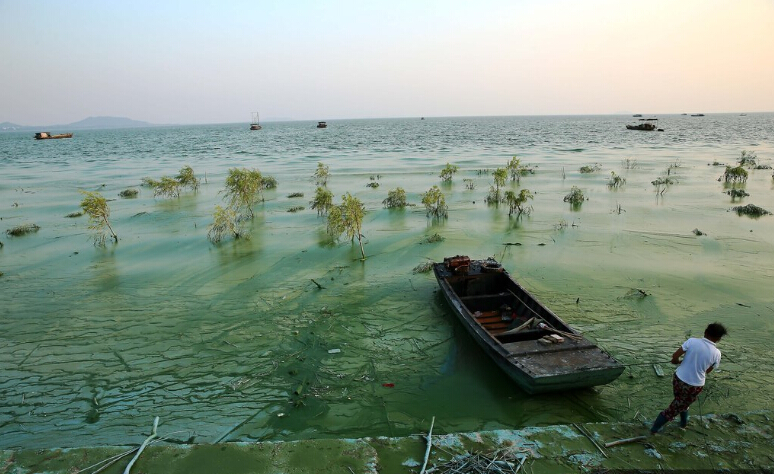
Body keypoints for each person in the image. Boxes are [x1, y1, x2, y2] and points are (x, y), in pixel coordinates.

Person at [650, 322, 727, 434]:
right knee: (675, 408)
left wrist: (676, 362)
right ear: (719, 339)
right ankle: (653, 431)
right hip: (694, 386)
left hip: (678, 378)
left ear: (705, 332)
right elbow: (708, 371)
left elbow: (675, 356)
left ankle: (683, 424)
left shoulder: (692, 341)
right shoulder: (717, 353)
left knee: (681, 402)